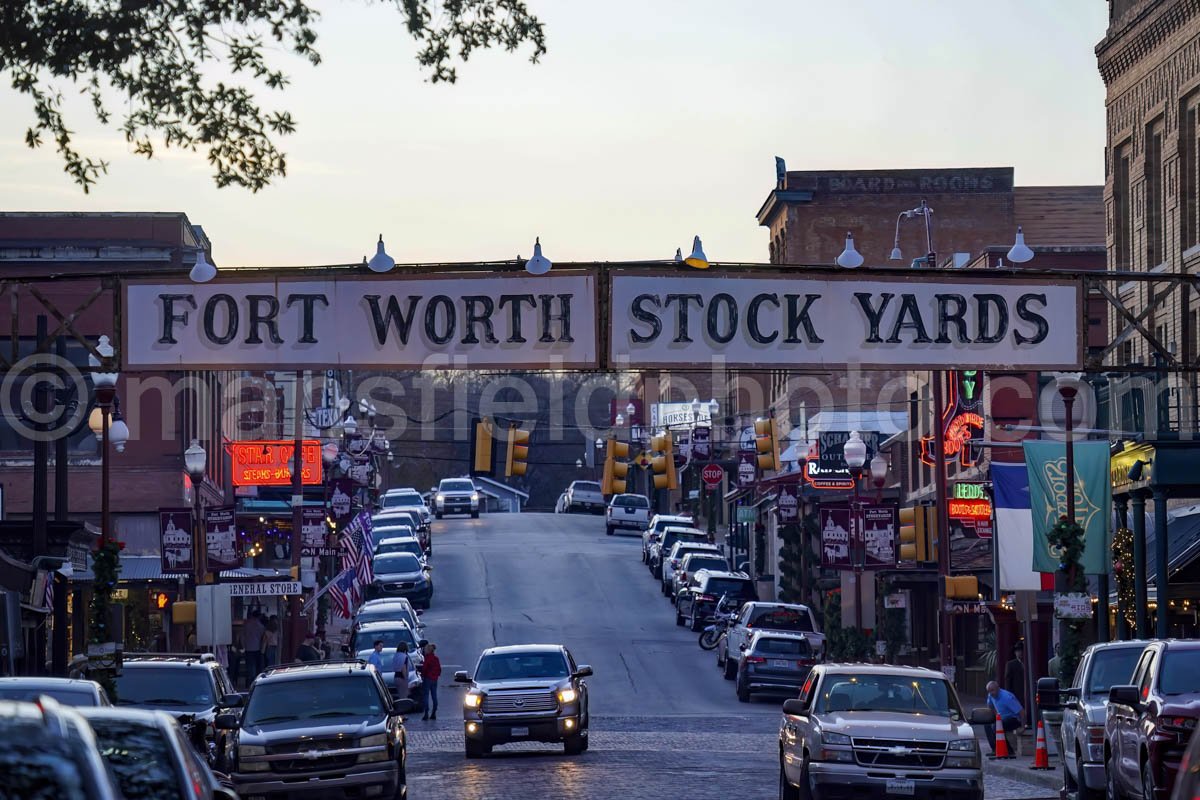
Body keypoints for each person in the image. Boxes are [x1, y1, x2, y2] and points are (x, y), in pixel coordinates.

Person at [985, 680, 1024, 755]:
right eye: (989, 691)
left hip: (1014, 719)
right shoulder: (991, 695)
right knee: (987, 724)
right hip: (1002, 718)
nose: (991, 693)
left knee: (997, 726)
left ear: (998, 689)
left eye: (992, 690)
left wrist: (1023, 727)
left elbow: (1022, 712)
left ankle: (1009, 750)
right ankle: (995, 749)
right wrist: (995, 715)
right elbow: (990, 706)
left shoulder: (1007, 697)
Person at [1005, 642, 1027, 727]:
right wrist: (1010, 695)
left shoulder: (1027, 662)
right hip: (1016, 693)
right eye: (1018, 651)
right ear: (1015, 653)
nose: (1020, 653)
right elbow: (1008, 681)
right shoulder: (1011, 664)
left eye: (1021, 651)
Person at [242, 611, 265, 686]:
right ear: (259, 616)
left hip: (248, 647)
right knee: (256, 665)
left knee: (249, 665)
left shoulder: (247, 625)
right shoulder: (261, 626)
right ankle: (255, 681)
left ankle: (249, 681)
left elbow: (243, 636)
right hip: (257, 648)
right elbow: (262, 638)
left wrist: (243, 645)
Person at [420, 642, 442, 720]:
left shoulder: (427, 658)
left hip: (427, 678)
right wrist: (436, 675)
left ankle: (426, 712)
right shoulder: (436, 659)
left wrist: (422, 676)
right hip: (434, 679)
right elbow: (439, 669)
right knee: (434, 696)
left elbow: (424, 668)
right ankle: (434, 712)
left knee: (426, 695)